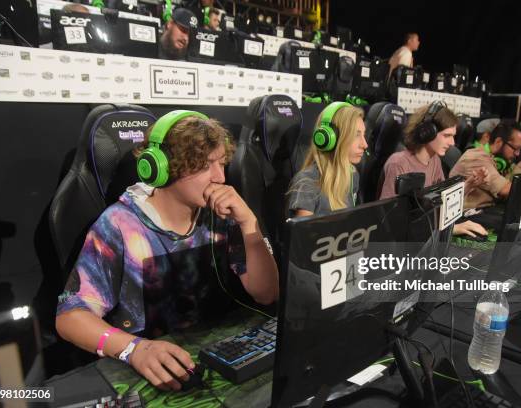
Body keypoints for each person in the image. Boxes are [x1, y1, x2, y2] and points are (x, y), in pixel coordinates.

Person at [56, 111, 278, 391]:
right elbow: (70, 317)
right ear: (163, 167)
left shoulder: (222, 215)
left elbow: (267, 293)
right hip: (155, 374)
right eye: (206, 165)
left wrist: (249, 224)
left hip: (219, 360)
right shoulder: (120, 225)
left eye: (222, 163)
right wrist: (133, 349)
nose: (220, 177)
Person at [379, 102, 488, 238]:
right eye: (447, 135)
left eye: (453, 136)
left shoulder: (434, 160)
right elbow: (391, 222)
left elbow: (442, 205)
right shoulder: (398, 163)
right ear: (426, 132)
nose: (453, 143)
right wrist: (450, 229)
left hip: (425, 240)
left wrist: (468, 185)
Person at [286, 102, 368, 217]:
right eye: (356, 135)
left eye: (364, 135)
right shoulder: (307, 183)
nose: (365, 145)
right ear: (331, 138)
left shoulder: (353, 175)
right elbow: (304, 234)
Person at [450, 122, 521, 209]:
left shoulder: (501, 160)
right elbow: (506, 189)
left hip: (485, 212)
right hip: (467, 216)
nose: (518, 153)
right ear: (498, 142)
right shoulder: (477, 157)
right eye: (515, 148)